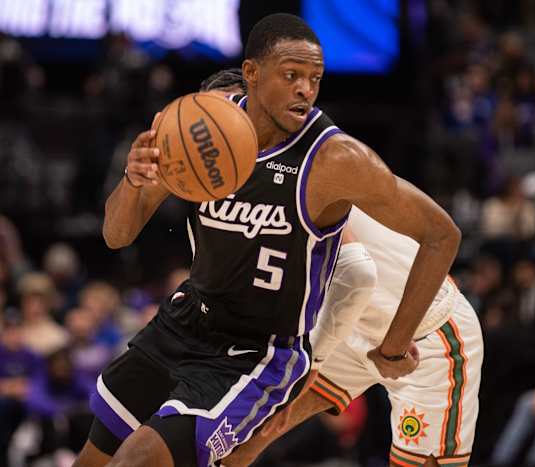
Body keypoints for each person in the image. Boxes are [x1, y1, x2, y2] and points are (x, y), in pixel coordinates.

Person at [73, 13, 461, 467]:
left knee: (136, 461)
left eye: (314, 78)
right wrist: (134, 180)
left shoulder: (335, 159)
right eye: (291, 75)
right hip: (183, 323)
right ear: (252, 74)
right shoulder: (201, 134)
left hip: (253, 353)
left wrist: (393, 347)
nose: (305, 89)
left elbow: (440, 234)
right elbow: (116, 235)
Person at [219, 206, 482, 467]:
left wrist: (392, 348)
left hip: (426, 331)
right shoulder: (221, 205)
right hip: (347, 323)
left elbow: (356, 273)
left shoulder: (310, 179)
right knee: (238, 438)